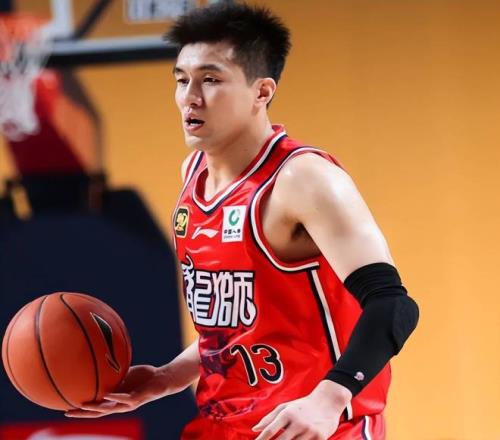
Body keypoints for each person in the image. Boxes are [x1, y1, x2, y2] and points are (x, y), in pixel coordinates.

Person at [66, 3, 419, 439]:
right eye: (182, 79)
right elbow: (235, 325)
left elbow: (392, 306)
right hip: (224, 424)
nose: (190, 97)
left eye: (211, 80)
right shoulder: (193, 173)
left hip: (312, 426)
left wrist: (329, 398)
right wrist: (167, 377)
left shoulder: (303, 180)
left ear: (262, 91)